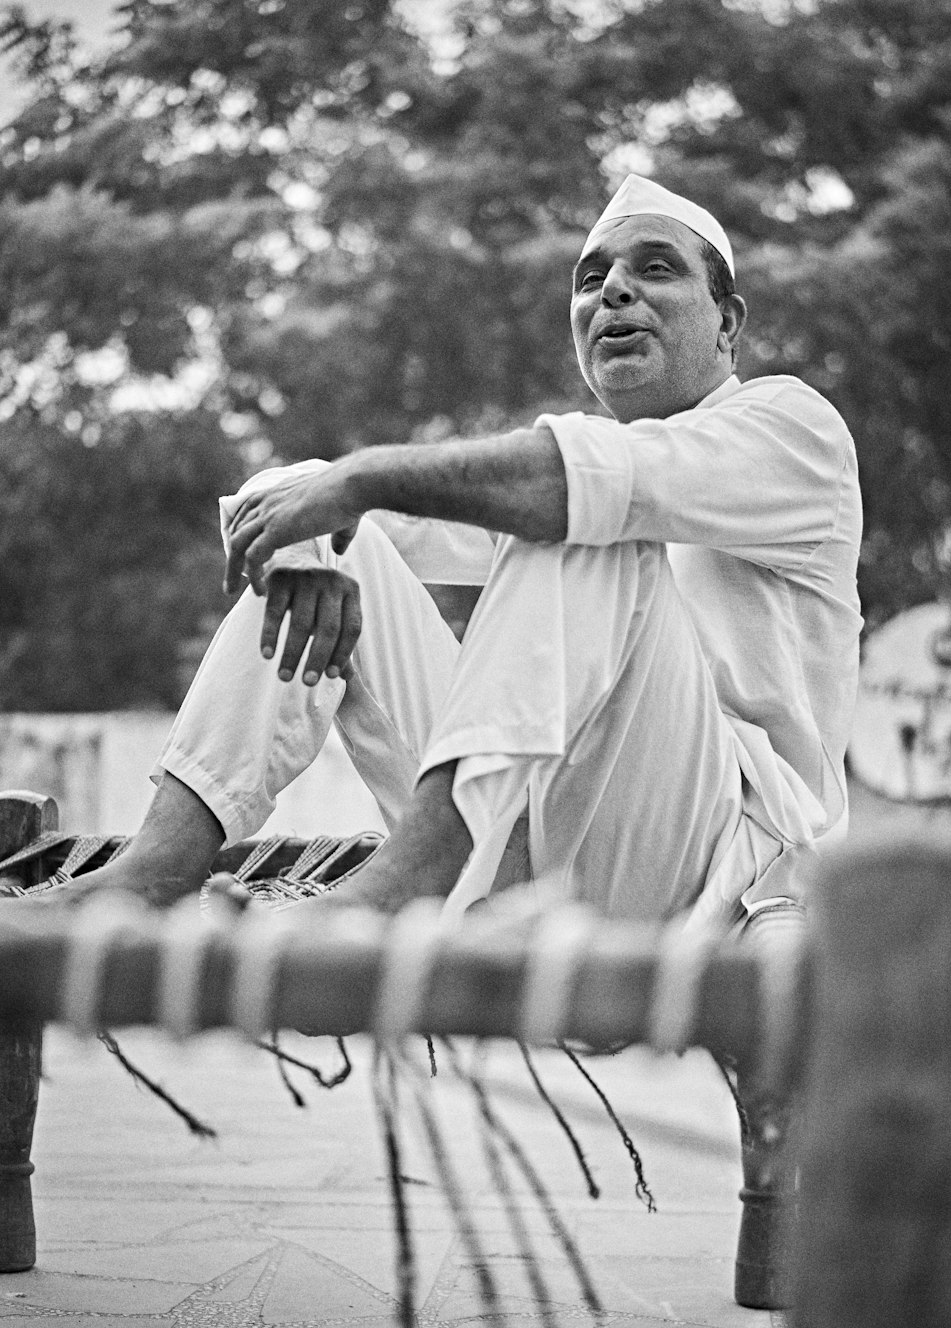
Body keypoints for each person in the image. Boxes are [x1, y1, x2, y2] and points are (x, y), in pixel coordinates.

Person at [65, 174, 863, 930]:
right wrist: (307, 540)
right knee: (350, 545)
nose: (613, 291)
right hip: (524, 854)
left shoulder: (794, 429)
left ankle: (414, 876)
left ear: (729, 322)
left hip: (707, 873)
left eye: (656, 269)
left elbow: (586, 484)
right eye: (591, 281)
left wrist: (364, 476)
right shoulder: (565, 467)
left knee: (585, 512)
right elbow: (300, 499)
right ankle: (160, 868)